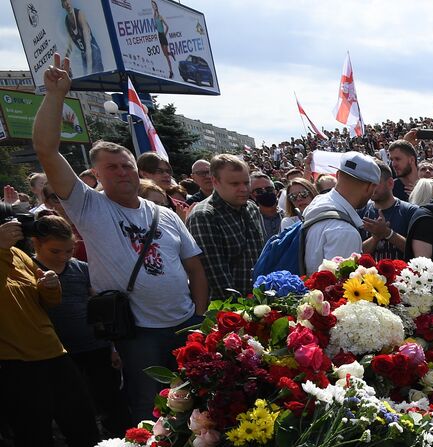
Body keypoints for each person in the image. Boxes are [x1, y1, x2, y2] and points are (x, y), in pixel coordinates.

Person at [33, 54, 206, 422]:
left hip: (184, 323)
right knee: (149, 410)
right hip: (139, 333)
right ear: (96, 174)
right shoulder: (89, 206)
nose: (122, 172)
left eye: (127, 165)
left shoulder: (165, 213)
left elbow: (194, 265)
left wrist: (200, 313)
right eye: (111, 167)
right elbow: (46, 150)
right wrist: (55, 96)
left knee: (197, 404)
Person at [0, 207, 100, 447]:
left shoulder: (19, 256)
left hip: (52, 350)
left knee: (81, 419)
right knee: (33, 431)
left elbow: (45, 302)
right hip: (13, 360)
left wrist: (50, 287)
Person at [31, 213, 129, 435]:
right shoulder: (28, 269)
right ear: (37, 243)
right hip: (59, 351)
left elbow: (100, 309)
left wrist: (113, 346)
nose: (63, 257)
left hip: (95, 345)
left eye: (69, 251)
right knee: (73, 405)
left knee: (110, 399)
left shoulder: (80, 268)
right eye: (55, 251)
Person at [185, 153, 267, 298]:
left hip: (260, 301)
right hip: (231, 311)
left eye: (246, 182)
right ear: (215, 182)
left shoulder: (252, 208)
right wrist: (244, 311)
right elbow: (218, 280)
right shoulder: (204, 216)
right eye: (235, 184)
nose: (243, 189)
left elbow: (262, 256)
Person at [300, 153, 377, 269]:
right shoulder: (345, 231)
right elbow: (337, 286)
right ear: (370, 187)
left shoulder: (317, 202)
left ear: (338, 174)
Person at [249, 172, 283, 241]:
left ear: (276, 192)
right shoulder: (249, 220)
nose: (265, 192)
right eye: (259, 191)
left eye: (269, 189)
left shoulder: (288, 215)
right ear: (252, 195)